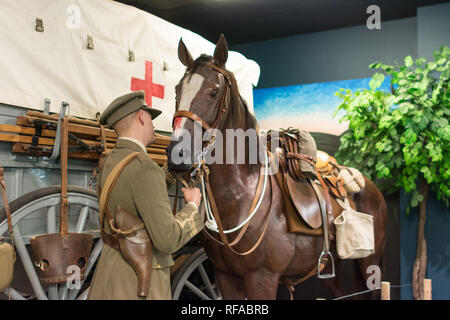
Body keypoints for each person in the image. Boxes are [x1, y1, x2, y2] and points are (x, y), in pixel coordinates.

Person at [88, 90, 204, 300]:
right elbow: (167, 240)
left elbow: (135, 190)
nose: (152, 123)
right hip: (138, 283)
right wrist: (193, 206)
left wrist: (169, 171)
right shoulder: (144, 168)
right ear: (141, 116)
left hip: (109, 272)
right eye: (151, 117)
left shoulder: (109, 161)